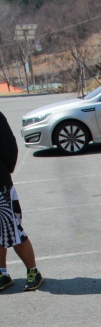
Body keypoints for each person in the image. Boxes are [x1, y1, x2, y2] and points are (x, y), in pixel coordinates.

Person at [0, 111, 42, 292]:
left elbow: (10, 148)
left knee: (14, 232)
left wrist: (4, 171)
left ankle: (33, 271)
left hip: (0, 187)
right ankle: (2, 273)